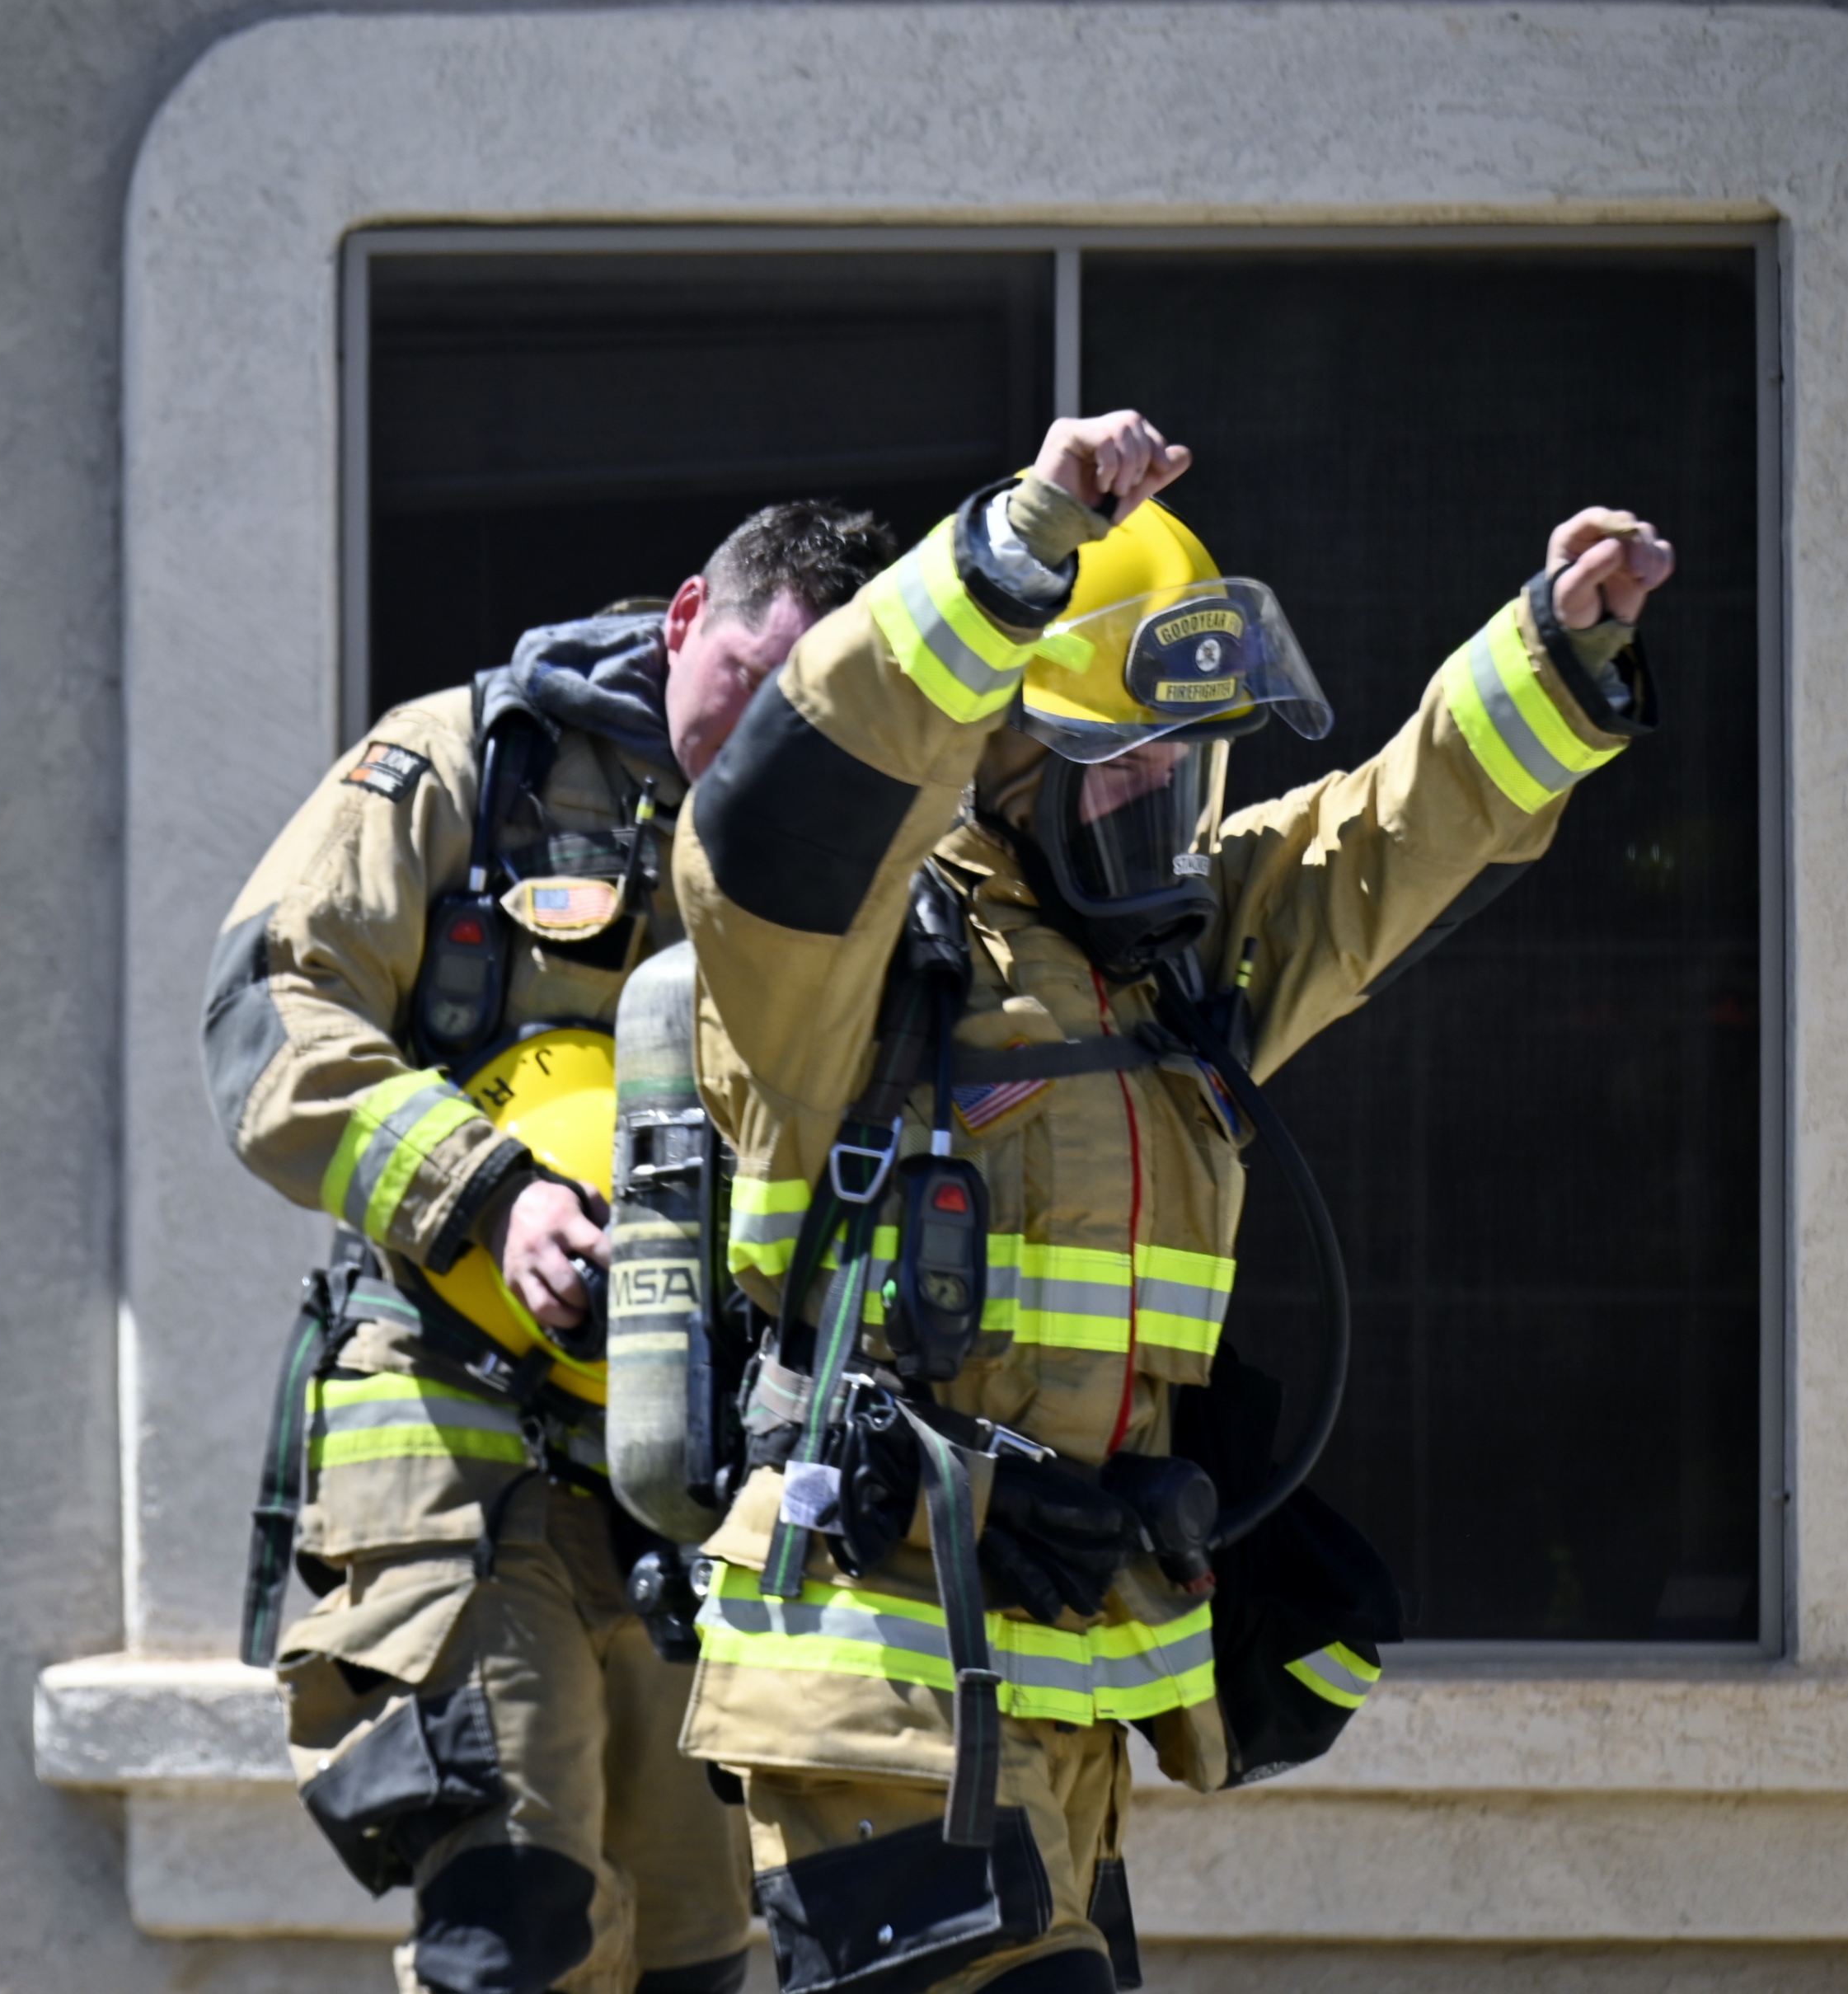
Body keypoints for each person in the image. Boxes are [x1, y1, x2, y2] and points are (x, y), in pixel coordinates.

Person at [668, 412, 1671, 1992]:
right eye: (1113, 755)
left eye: (1180, 759)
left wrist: (1552, 651)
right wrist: (1010, 552)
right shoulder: (845, 960)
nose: (1156, 789)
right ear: (1003, 754)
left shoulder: (1169, 966)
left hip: (1064, 1678)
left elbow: (1383, 843)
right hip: (878, 1683)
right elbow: (778, 811)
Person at [202, 502, 898, 1994]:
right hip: (455, 1442)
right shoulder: (465, 765)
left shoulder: (848, 850)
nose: (765, 735)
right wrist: (489, 1193)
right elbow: (271, 1012)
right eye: (748, 681)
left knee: (698, 1950)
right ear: (687, 617)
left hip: (697, 1477)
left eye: (808, 710)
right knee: (516, 1921)